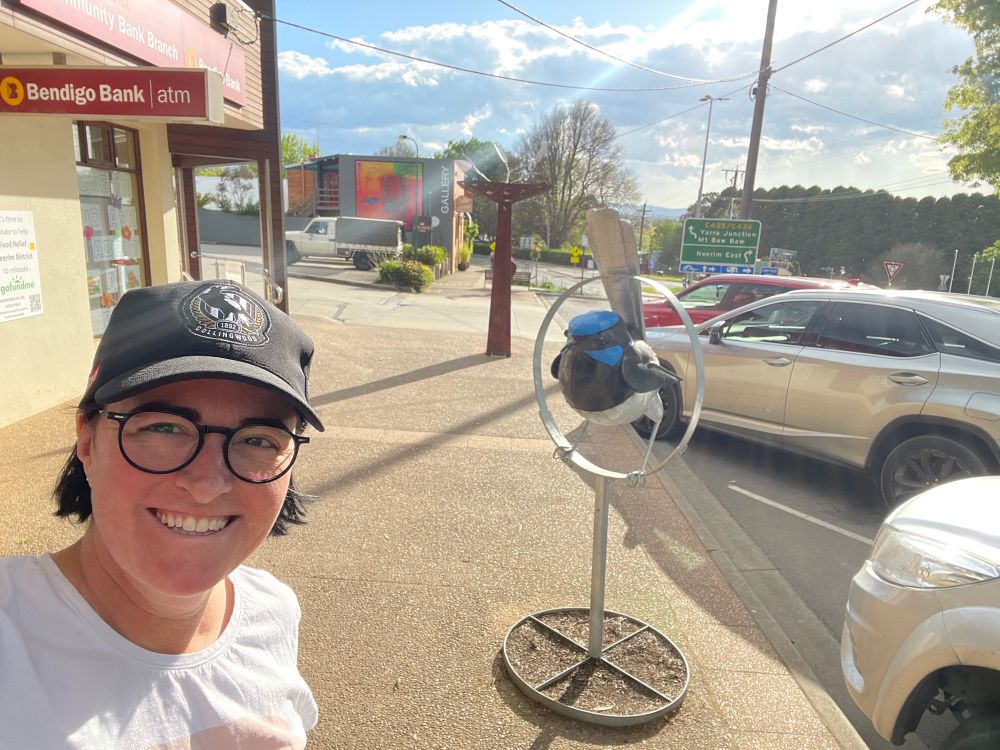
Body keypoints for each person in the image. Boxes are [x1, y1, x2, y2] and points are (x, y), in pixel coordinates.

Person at [0, 280, 323, 748]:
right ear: (87, 441)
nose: (207, 484)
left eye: (258, 439)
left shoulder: (273, 610)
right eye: (165, 428)